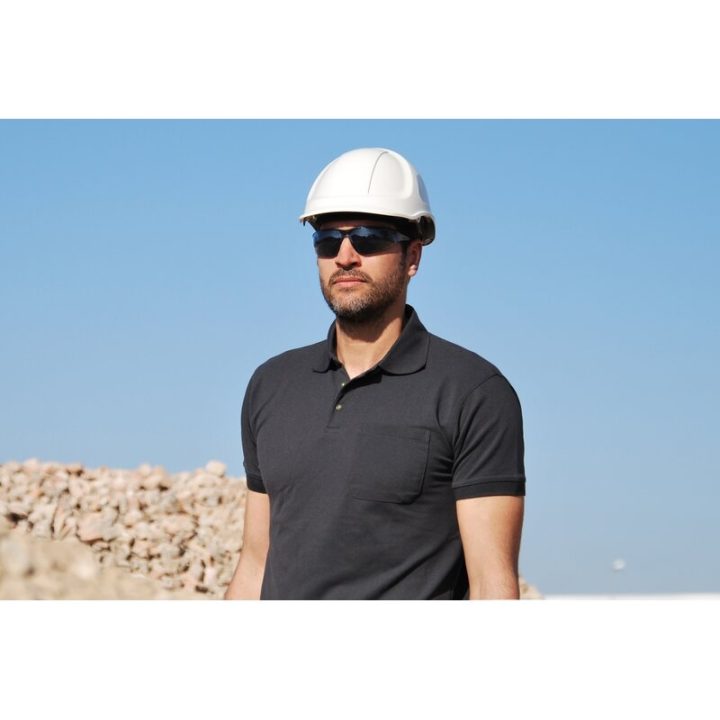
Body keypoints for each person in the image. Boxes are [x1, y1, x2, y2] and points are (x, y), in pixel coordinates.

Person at [224, 147, 525, 600]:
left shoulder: (473, 393)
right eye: (328, 240)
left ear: (413, 256)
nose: (345, 256)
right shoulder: (271, 385)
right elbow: (255, 564)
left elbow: (491, 583)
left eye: (368, 238)